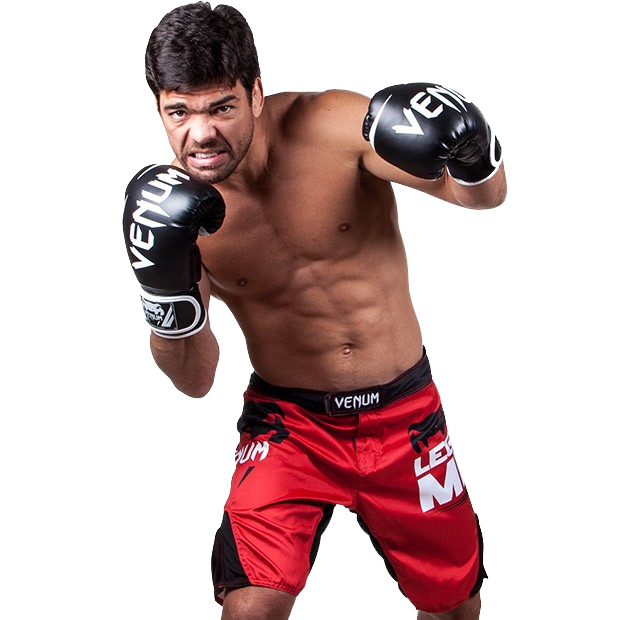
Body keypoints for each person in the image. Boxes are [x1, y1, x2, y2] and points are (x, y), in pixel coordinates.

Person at [122, 2, 507, 619]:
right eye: (179, 113)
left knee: (454, 606)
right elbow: (195, 379)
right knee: (250, 607)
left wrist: (476, 146)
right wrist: (160, 298)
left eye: (221, 107)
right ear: (159, 109)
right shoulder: (173, 214)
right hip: (289, 427)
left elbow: (482, 196)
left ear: (255, 93)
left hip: (404, 413)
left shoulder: (332, 124)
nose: (201, 134)